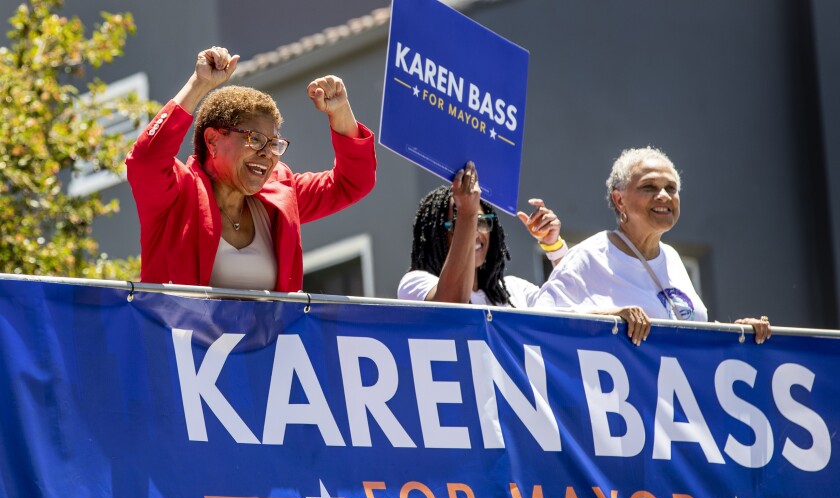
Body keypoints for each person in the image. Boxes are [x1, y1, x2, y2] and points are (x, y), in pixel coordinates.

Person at [126, 46, 376, 292]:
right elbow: (145, 159)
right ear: (213, 140)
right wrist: (198, 84)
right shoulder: (178, 194)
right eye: (254, 139)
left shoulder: (282, 192)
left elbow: (353, 182)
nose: (267, 153)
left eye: (274, 144)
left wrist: (340, 111)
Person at [535, 147, 771, 345]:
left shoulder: (672, 258)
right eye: (649, 187)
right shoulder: (590, 256)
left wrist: (739, 334)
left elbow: (684, 334)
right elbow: (538, 319)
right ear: (619, 200)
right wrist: (611, 318)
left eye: (671, 188)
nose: (663, 196)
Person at [398, 161, 567, 307]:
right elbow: (451, 308)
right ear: (435, 238)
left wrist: (554, 245)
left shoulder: (515, 291)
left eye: (481, 222)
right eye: (459, 224)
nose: (475, 233)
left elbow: (570, 306)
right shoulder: (415, 284)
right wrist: (467, 212)